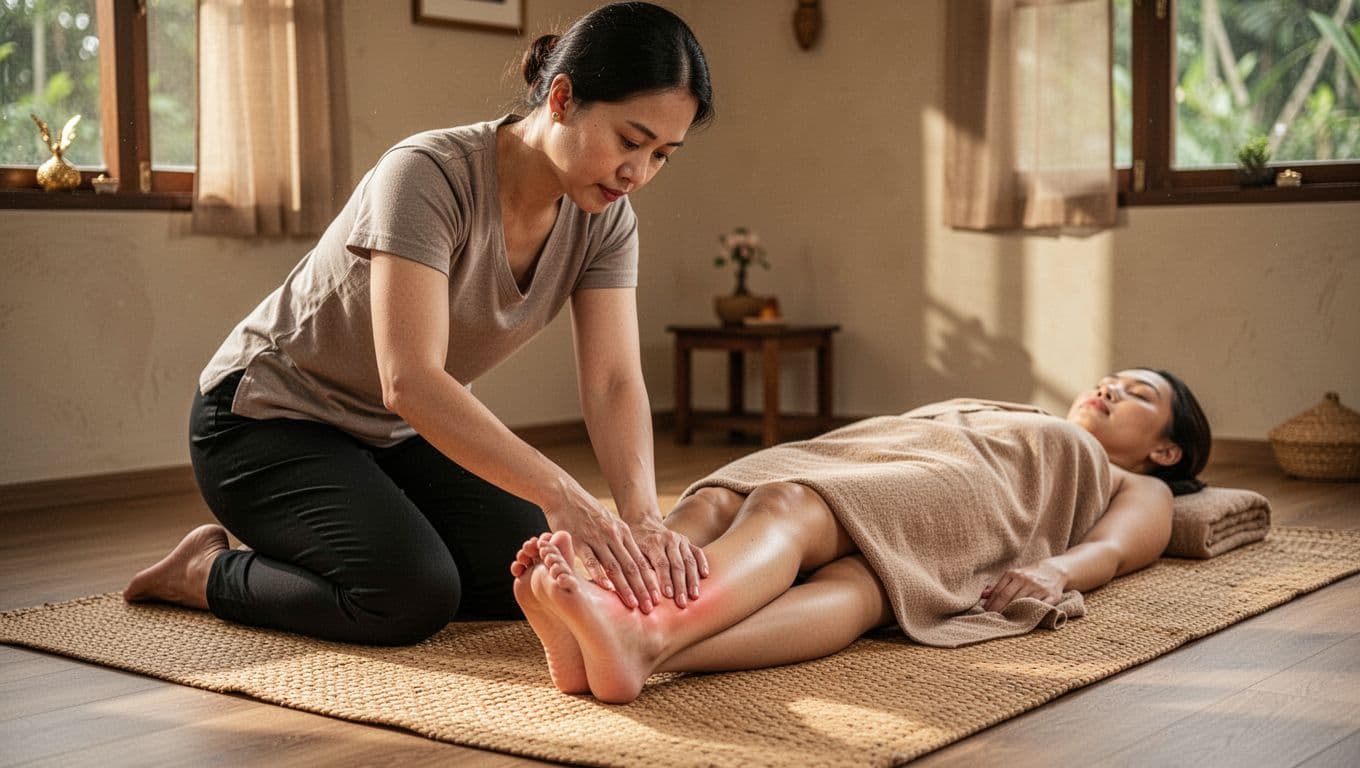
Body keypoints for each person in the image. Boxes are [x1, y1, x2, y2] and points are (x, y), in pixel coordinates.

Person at [123, 2, 715, 646]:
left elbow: (613, 382)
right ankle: (203, 572)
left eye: (663, 155)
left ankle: (363, 540)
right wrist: (563, 492)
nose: (638, 173)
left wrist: (643, 517)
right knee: (409, 596)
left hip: (391, 434)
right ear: (564, 99)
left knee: (541, 573)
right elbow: (408, 379)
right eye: (630, 140)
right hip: (264, 420)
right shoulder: (428, 174)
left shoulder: (606, 221)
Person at [510, 368, 1212, 703]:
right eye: (1111, 380)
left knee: (793, 508)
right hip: (880, 449)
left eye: (1138, 396)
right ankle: (611, 621)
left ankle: (648, 635)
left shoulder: (1135, 483)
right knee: (724, 503)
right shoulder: (1010, 403)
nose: (1110, 389)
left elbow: (1119, 548)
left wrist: (1057, 574)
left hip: (973, 488)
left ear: (1167, 451)